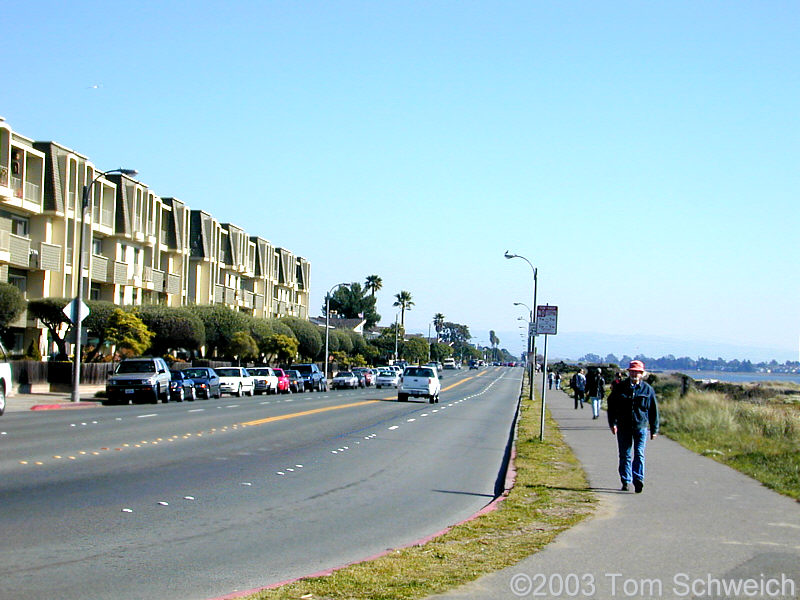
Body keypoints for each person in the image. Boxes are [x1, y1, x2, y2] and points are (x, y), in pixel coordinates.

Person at [607, 360, 659, 493]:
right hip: (623, 427)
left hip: (640, 426)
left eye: (637, 372)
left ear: (642, 374)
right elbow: (611, 406)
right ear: (628, 372)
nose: (635, 374)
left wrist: (654, 429)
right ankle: (625, 480)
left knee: (639, 454)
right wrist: (612, 423)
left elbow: (653, 410)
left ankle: (638, 479)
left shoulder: (648, 389)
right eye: (632, 371)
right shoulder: (620, 388)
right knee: (625, 455)